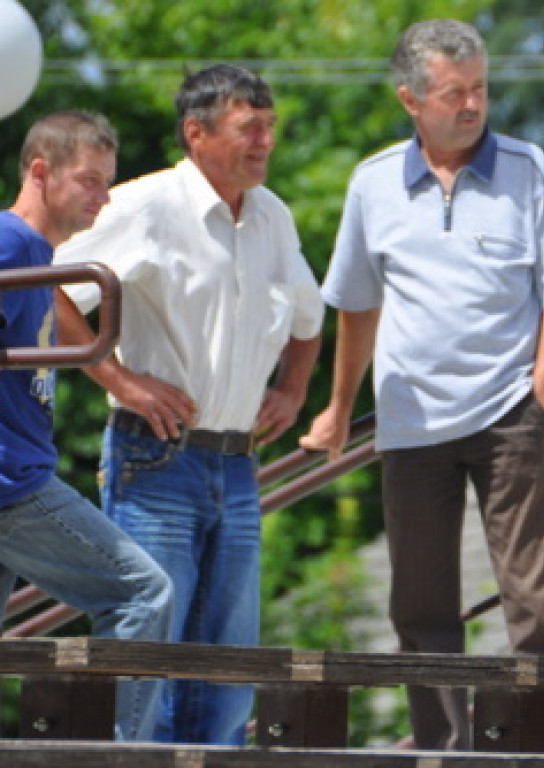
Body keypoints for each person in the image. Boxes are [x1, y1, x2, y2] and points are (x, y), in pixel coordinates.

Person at [300, 19, 544, 752]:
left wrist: (537, 399)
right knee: (421, 609)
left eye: (481, 88)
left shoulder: (529, 168)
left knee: (538, 608)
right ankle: (440, 752)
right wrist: (340, 407)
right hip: (409, 424)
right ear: (410, 98)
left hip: (510, 416)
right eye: (454, 92)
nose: (473, 105)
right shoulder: (373, 182)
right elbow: (355, 304)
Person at [52, 66, 324, 745]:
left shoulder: (272, 213)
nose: (265, 141)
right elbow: (47, 287)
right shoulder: (146, 205)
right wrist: (119, 381)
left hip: (237, 467)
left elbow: (309, 316)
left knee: (226, 672)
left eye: (270, 127)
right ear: (195, 133)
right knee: (146, 666)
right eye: (248, 128)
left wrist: (293, 389)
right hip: (154, 457)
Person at [0, 110, 174, 740]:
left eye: (108, 183)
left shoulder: (37, 258)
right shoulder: (12, 244)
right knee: (141, 592)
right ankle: (117, 752)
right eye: (90, 181)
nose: (103, 199)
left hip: (15, 471)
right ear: (41, 173)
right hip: (12, 482)